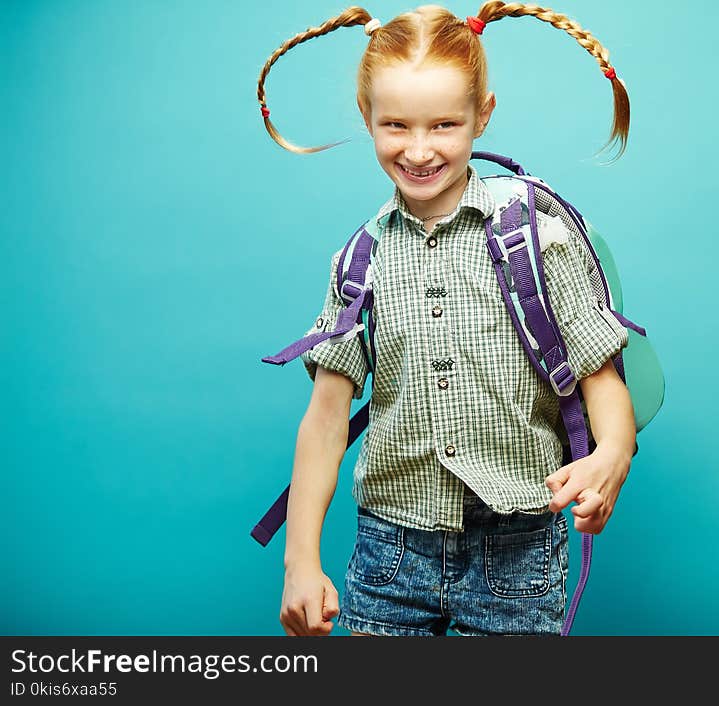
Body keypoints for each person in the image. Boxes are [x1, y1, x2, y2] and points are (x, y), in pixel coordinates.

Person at [257, 3, 637, 637]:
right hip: (389, 556)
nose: (419, 149)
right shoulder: (360, 260)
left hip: (517, 554)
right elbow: (325, 419)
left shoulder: (539, 237)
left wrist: (614, 454)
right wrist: (299, 562)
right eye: (396, 125)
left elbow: (601, 377)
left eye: (444, 125)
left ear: (483, 114)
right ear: (366, 117)